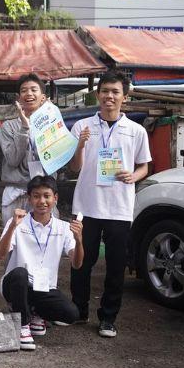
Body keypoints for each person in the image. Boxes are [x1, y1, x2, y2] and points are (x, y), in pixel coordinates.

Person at [68, 70, 151, 338]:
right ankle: (77, 310)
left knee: (116, 266)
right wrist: (80, 146)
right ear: (97, 94)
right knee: (81, 261)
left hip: (119, 208)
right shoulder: (81, 126)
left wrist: (133, 176)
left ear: (124, 97)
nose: (109, 96)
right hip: (86, 206)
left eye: (115, 92)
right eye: (105, 91)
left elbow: (144, 166)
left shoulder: (136, 131)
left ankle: (108, 318)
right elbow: (74, 169)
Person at [0, 176, 84, 350]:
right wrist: (13, 227)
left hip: (44, 288)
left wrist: (79, 240)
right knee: (20, 273)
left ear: (55, 198)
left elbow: (77, 264)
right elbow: (0, 254)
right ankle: (23, 324)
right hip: (14, 284)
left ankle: (34, 312)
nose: (42, 201)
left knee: (72, 314)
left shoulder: (63, 227)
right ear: (29, 199)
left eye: (47, 196)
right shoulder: (18, 223)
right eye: (36, 196)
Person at [0, 74, 50, 225]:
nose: (29, 94)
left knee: (44, 241)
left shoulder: (51, 125)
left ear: (43, 97)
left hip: (43, 193)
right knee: (12, 240)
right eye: (24, 90)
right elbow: (13, 160)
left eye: (34, 89)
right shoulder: (9, 127)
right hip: (15, 192)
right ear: (18, 97)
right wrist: (24, 129)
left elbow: (57, 159)